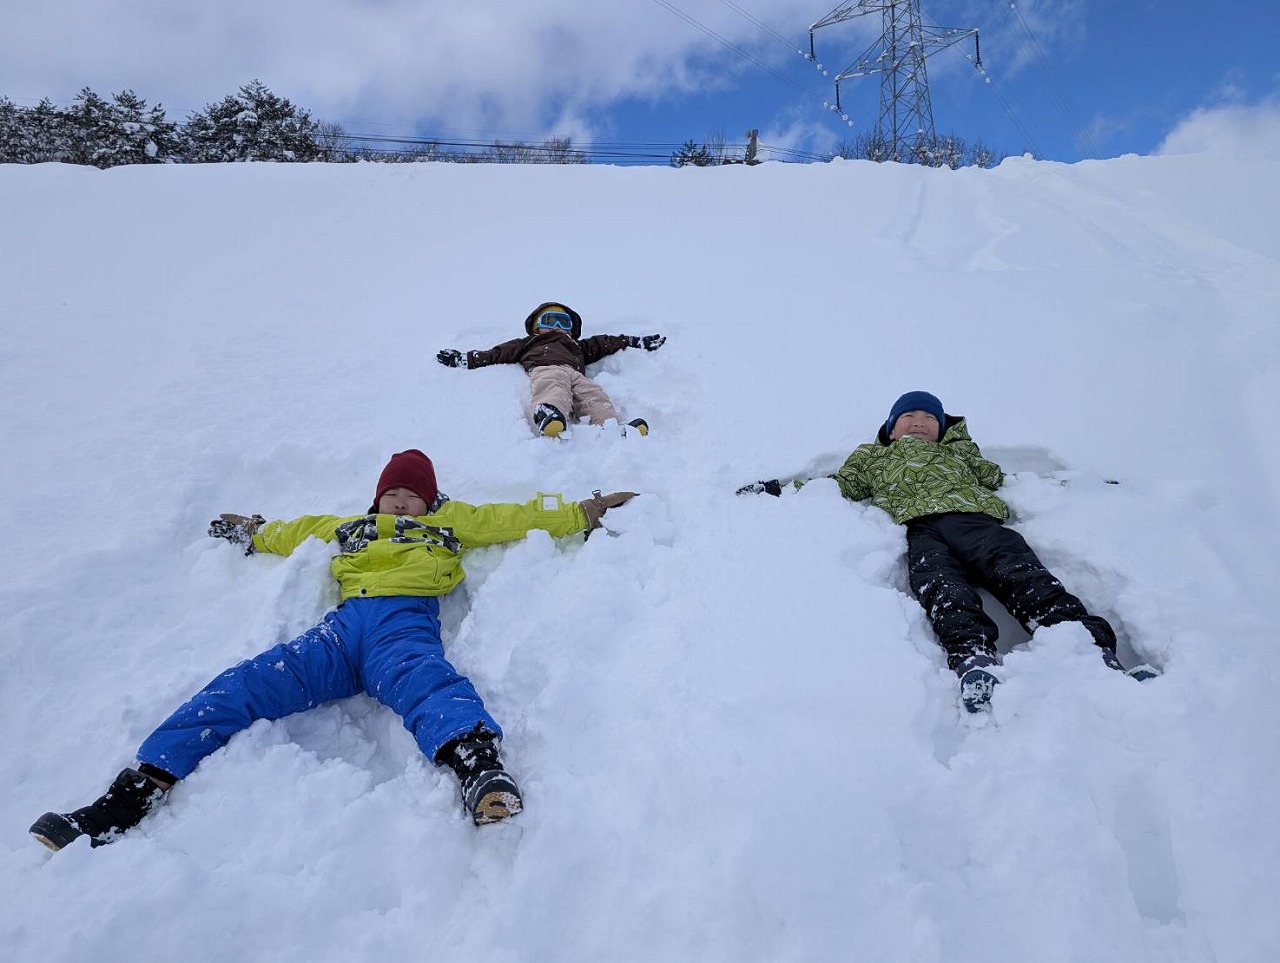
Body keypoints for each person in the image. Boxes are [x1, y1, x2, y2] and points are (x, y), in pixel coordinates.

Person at [30, 449, 638, 850]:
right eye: (392, 493)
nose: (401, 501)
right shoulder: (349, 527)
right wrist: (253, 530)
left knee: (426, 680)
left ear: (432, 501)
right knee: (246, 681)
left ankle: (478, 766)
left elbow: (514, 517)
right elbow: (294, 530)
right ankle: (135, 790)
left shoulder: (451, 524)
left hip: (402, 625)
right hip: (340, 634)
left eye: (412, 494)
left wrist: (581, 511)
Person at [739, 391, 1155, 712]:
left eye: (928, 418)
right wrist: (777, 488)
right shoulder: (871, 458)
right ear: (891, 428)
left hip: (978, 522)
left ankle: (1088, 649)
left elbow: (1003, 478)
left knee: (1025, 576)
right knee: (942, 589)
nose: (918, 423)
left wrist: (1080, 484)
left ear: (941, 428)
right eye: (908, 417)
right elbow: (835, 484)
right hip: (922, 531)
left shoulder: (959, 453)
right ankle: (973, 658)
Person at [436, 301, 665, 438]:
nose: (557, 327)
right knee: (553, 386)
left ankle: (610, 426)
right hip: (546, 368)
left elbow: (604, 343)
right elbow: (498, 352)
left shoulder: (578, 347)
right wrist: (467, 358)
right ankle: (549, 412)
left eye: (563, 323)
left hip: (576, 373)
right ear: (537, 327)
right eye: (550, 321)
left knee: (593, 394)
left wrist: (635, 342)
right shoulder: (528, 343)